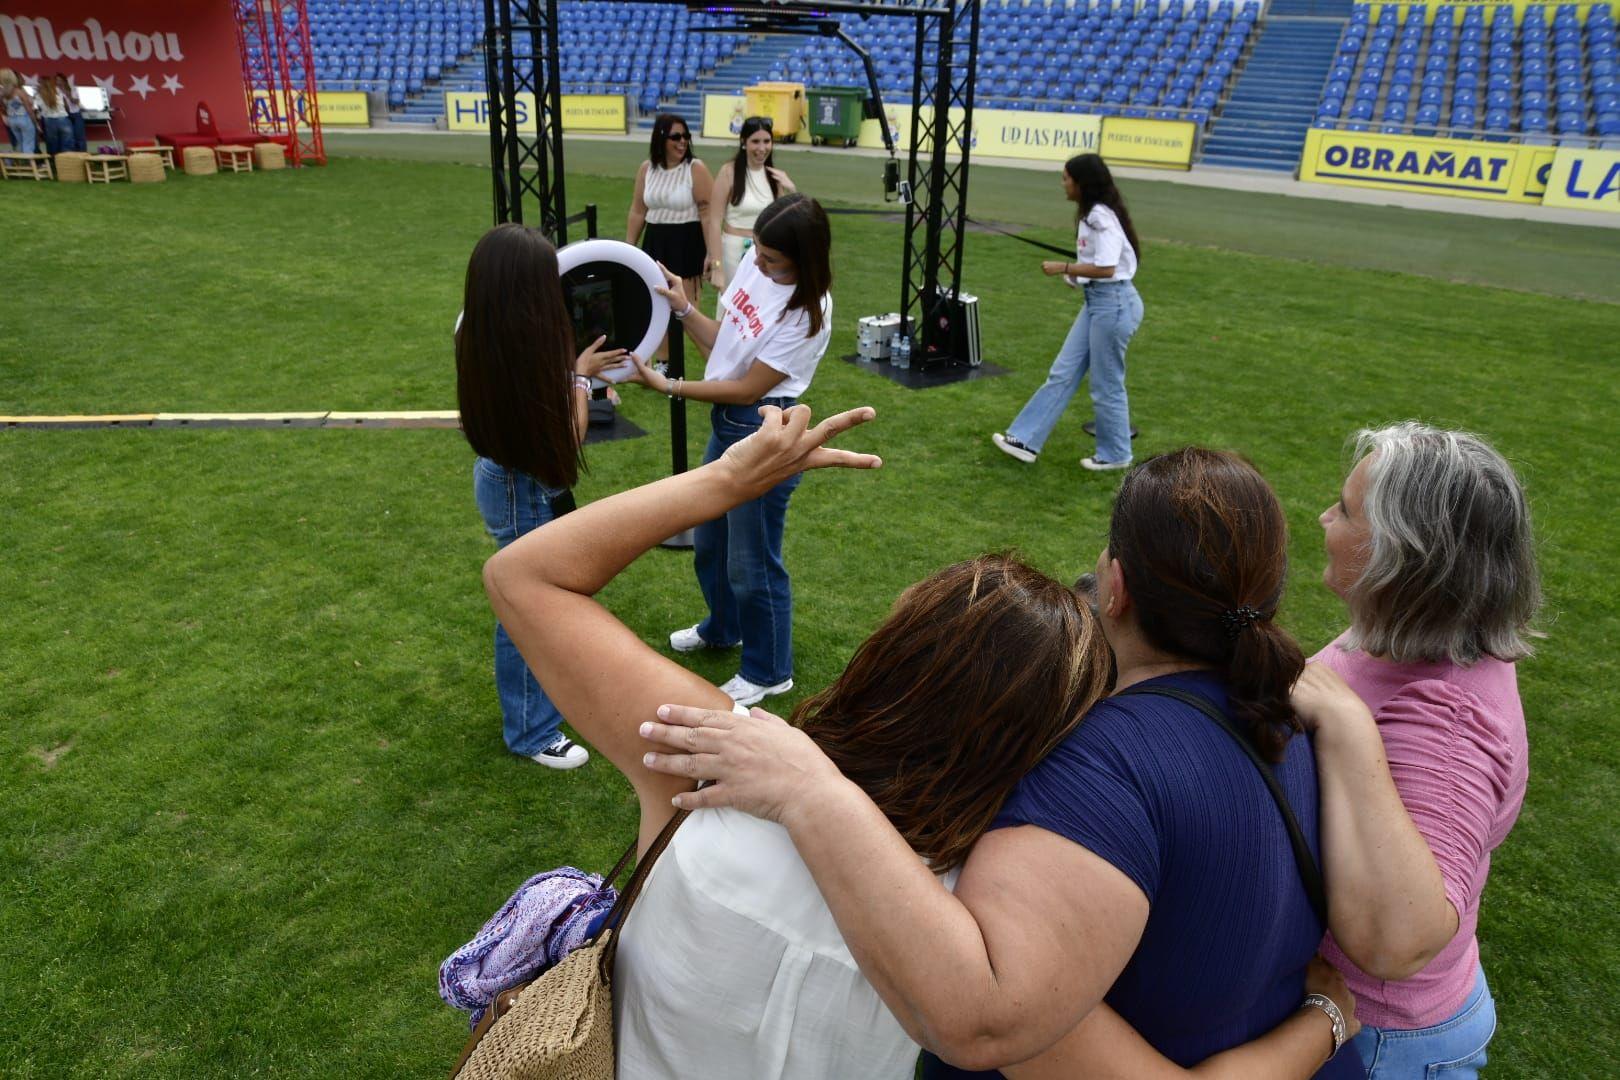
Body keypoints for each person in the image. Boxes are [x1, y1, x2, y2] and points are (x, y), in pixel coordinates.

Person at [480, 409, 1367, 1080]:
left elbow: (526, 575)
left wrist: (729, 480)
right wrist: (1322, 1018)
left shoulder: (711, 760)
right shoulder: (972, 932)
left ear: (890, 653)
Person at [1310, 423, 1539, 1079]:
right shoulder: (1405, 637)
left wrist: (1347, 729)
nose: (1325, 517)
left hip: (1379, 1039)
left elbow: (1399, 941)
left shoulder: (1446, 723)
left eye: (1346, 511)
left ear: (1400, 557)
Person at [621, 192, 832, 707]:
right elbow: (724, 345)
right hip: (730, 423)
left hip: (765, 430)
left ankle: (768, 670)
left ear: (805, 260)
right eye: (757, 249)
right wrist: (684, 307)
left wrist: (669, 386)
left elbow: (746, 389)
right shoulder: (755, 269)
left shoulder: (809, 312)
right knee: (710, 540)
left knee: (752, 559)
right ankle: (723, 628)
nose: (757, 263)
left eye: (771, 259)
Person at [454, 224, 628, 768]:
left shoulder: (484, 335)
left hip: (513, 481)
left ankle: (544, 706)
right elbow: (567, 436)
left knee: (534, 602)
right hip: (522, 487)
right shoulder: (521, 357)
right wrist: (580, 381)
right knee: (526, 608)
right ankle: (531, 732)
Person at [992, 153, 1144, 473]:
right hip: (1099, 302)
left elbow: (1107, 266)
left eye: (1066, 178)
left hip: (1113, 305)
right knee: (1063, 372)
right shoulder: (1094, 215)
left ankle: (1116, 453)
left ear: (1081, 182)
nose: (1062, 184)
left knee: (1106, 383)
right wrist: (1076, 275)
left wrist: (1064, 267)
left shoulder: (1100, 216)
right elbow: (1100, 265)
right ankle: (1024, 440)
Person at [627, 113, 716, 330]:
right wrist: (628, 250)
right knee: (657, 314)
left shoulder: (696, 169)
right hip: (655, 244)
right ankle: (663, 365)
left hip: (685, 245)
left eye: (686, 136)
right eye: (676, 136)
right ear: (661, 138)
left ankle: (716, 362)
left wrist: (712, 253)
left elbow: (708, 214)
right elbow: (638, 211)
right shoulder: (647, 169)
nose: (683, 141)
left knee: (687, 317)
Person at [704, 116, 796, 290]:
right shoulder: (728, 172)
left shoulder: (774, 177)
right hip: (733, 251)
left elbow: (787, 220)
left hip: (766, 253)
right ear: (744, 142)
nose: (762, 148)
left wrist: (791, 189)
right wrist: (717, 266)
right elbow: (715, 222)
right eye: (755, 141)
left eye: (767, 141)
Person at [1, 69, 40, 154]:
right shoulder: (19, 92)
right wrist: (35, 123)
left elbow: (4, 109)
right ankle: (30, 165)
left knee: (20, 144)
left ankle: (21, 164)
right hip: (24, 118)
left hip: (12, 120)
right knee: (28, 144)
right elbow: (29, 109)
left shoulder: (2, 94)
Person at [34, 76, 72, 156]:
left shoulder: (38, 95)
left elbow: (37, 109)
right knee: (66, 144)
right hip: (63, 118)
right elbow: (66, 106)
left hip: (49, 121)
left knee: (52, 145)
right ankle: (66, 163)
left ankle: (53, 164)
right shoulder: (58, 91)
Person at [56, 74, 86, 152]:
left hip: (76, 113)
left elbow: (76, 101)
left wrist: (68, 94)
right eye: (57, 80)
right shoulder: (55, 90)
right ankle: (71, 156)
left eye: (60, 80)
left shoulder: (73, 88)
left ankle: (82, 155)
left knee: (79, 136)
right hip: (64, 115)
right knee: (68, 137)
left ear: (64, 81)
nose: (58, 82)